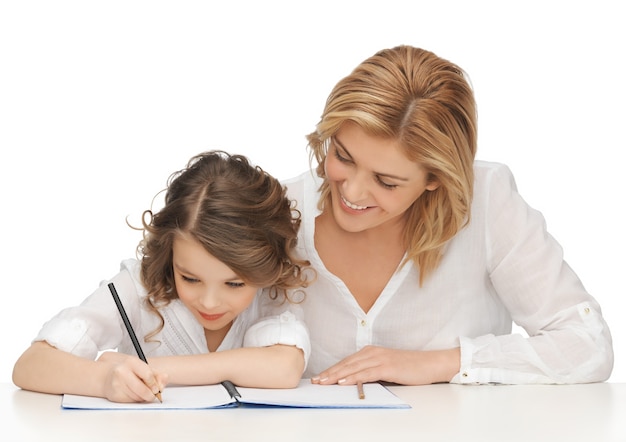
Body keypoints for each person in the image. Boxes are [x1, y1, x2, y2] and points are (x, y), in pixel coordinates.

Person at [280, 45, 613, 386]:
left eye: (386, 182)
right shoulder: (277, 210)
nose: (351, 192)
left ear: (435, 178)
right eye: (343, 156)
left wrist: (438, 364)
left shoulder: (486, 202)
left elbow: (588, 345)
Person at [12, 150, 312, 402]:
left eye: (234, 284)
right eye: (190, 278)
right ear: (169, 253)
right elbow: (30, 365)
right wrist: (104, 379)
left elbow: (284, 367)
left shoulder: (270, 287)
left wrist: (151, 368)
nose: (209, 302)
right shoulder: (136, 288)